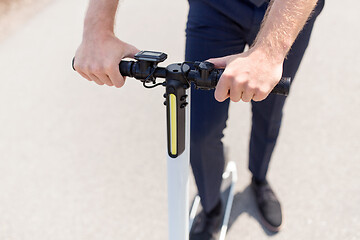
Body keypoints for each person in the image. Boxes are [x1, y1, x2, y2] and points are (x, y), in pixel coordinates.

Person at [73, 0, 324, 239]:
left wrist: (270, 51)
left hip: (285, 9)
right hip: (215, 8)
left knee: (269, 109)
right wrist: (97, 29)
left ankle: (259, 179)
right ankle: (211, 206)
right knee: (200, 132)